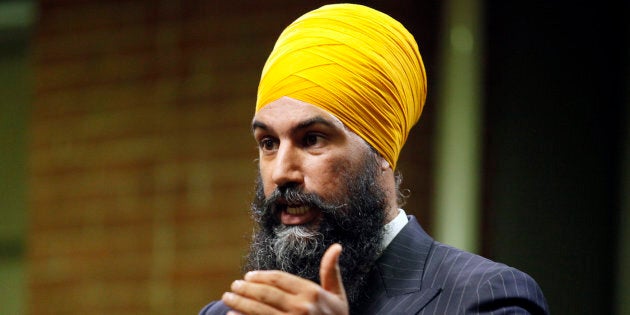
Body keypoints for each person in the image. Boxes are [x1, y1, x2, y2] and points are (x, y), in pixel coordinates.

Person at [200, 3, 549, 315]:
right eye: (269, 143)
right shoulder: (222, 313)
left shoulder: (485, 298)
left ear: (381, 151)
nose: (281, 173)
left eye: (312, 139)